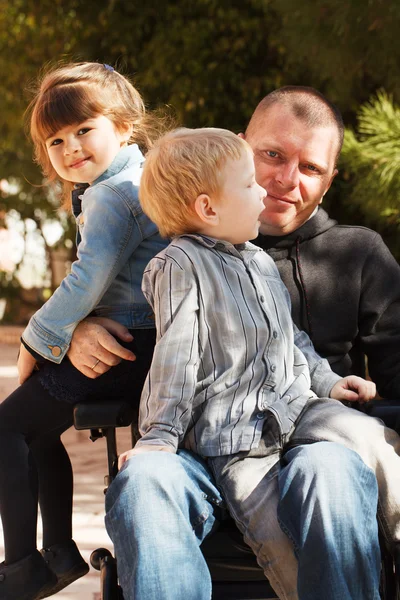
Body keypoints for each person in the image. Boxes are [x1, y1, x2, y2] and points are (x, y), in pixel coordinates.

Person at [70, 87, 400, 598]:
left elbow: (300, 345)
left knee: (334, 465)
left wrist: (339, 392)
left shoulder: (356, 253)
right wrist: (77, 328)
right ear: (241, 146)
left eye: (311, 168)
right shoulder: (164, 247)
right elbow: (94, 293)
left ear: (331, 180)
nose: (284, 181)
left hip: (305, 439)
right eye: (271, 156)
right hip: (192, 448)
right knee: (143, 486)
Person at [0, 62, 167, 600]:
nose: (70, 147)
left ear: (124, 126)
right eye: (55, 139)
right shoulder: (135, 181)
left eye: (83, 130)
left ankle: (24, 566)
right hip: (137, 343)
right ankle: (58, 554)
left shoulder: (111, 195)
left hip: (122, 349)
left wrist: (36, 337)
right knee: (37, 431)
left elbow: (86, 281)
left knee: (5, 431)